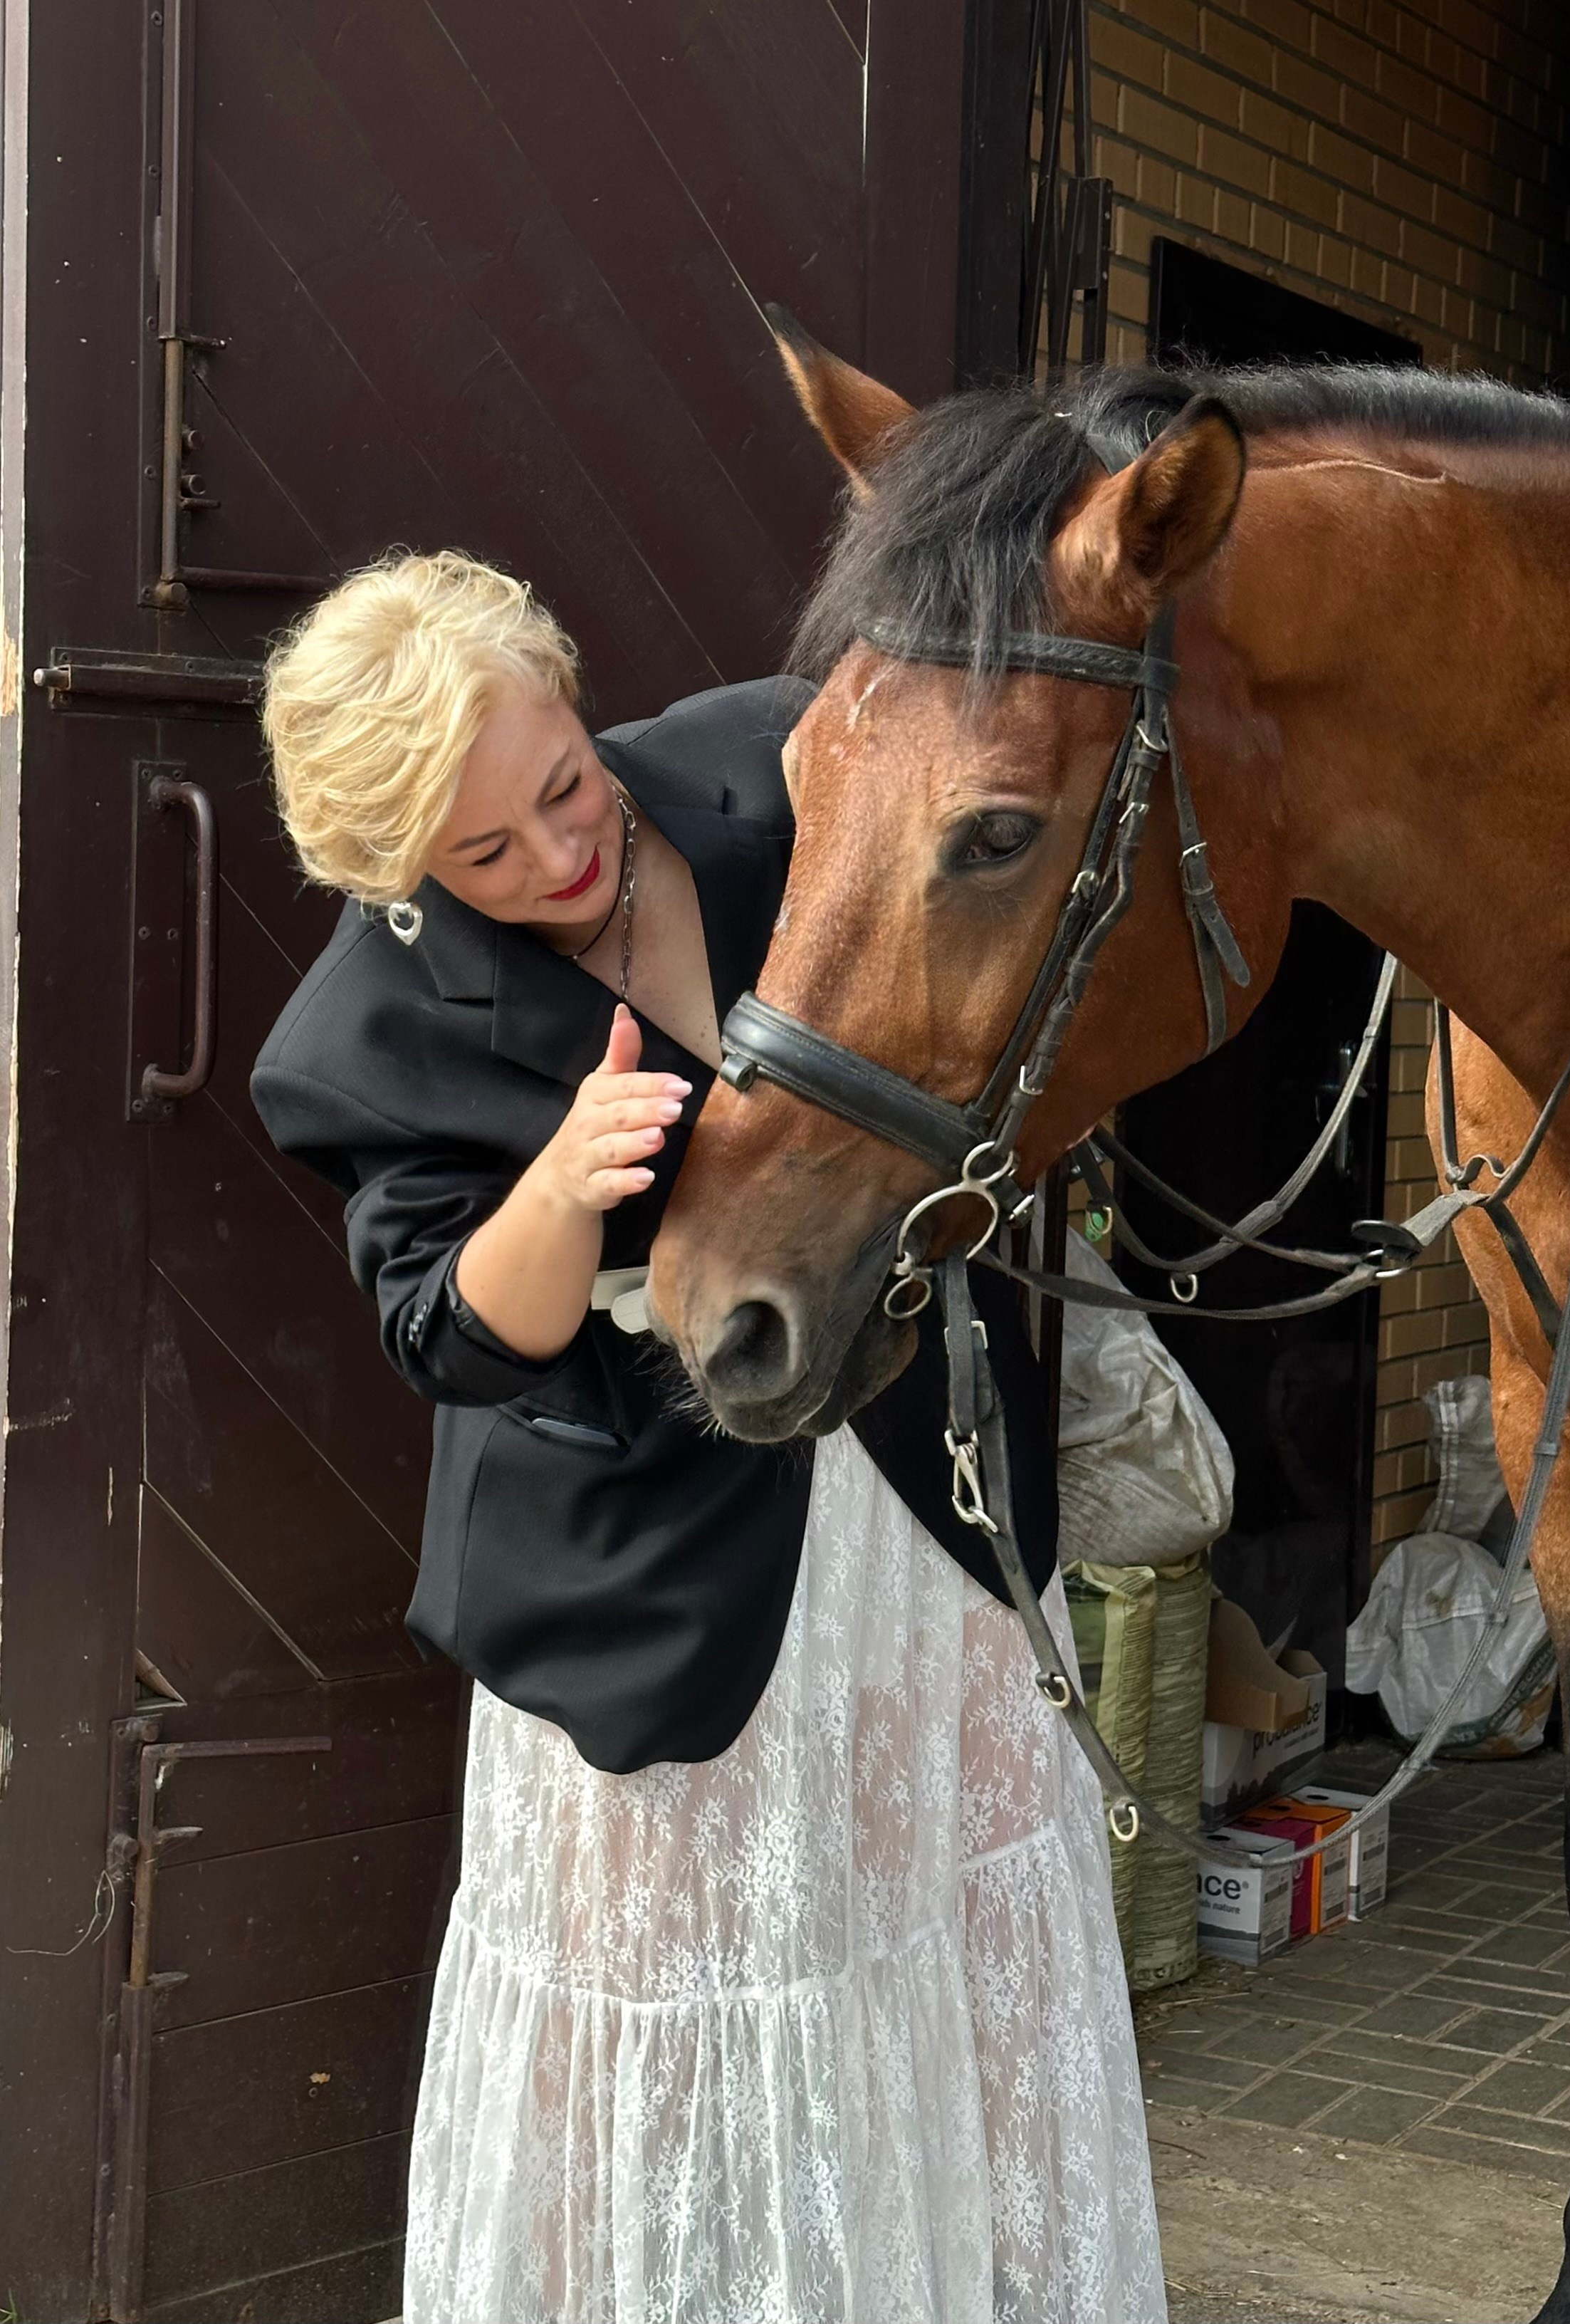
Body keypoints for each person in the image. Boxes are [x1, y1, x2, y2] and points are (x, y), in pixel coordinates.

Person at [251, 550, 1166, 2324]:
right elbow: (440, 1332)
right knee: (694, 2029)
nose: (554, 860)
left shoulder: (791, 759)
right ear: (412, 879)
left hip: (910, 1517)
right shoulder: (365, 1031)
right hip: (655, 1581)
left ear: (579, 701)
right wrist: (556, 1192)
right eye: (481, 859)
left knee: (952, 1961)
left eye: (561, 789)